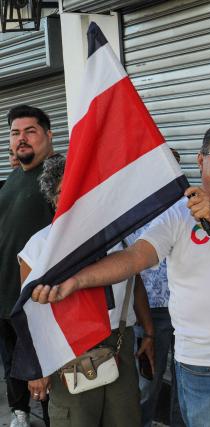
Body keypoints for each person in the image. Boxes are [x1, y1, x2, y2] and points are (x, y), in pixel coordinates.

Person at [31, 121, 210, 427]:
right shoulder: (176, 212)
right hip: (207, 369)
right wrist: (76, 280)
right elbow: (135, 257)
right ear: (201, 159)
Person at [19, 155, 153, 426]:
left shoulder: (117, 237)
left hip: (120, 344)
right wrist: (36, 368)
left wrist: (148, 332)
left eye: (81, 190)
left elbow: (135, 283)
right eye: (64, 192)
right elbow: (29, 314)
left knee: (126, 419)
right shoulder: (38, 247)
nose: (74, 199)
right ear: (53, 199)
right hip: (67, 351)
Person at [0, 105, 56, 427]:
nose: (21, 139)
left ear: (48, 135)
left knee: (43, 373)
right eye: (15, 133)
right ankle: (19, 412)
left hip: (36, 300)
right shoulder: (14, 177)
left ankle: (50, 419)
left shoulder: (56, 175)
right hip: (6, 296)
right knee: (12, 364)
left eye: (30, 131)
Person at [126, 148, 185, 427]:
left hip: (186, 309)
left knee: (185, 383)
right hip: (150, 312)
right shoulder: (130, 211)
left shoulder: (189, 206)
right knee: (147, 382)